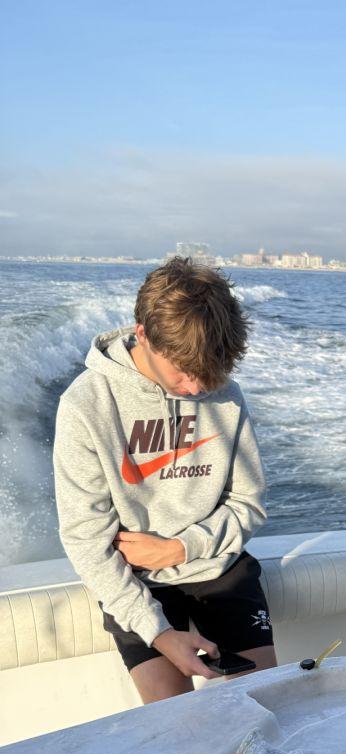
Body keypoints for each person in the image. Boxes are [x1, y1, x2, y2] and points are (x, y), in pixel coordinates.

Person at [53, 257, 275, 705]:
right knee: (177, 726)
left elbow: (248, 503)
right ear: (143, 335)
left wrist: (181, 547)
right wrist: (158, 632)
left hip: (219, 566)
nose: (197, 389)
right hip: (138, 581)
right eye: (183, 373)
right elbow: (85, 540)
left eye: (207, 376)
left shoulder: (222, 389)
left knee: (267, 707)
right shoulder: (86, 405)